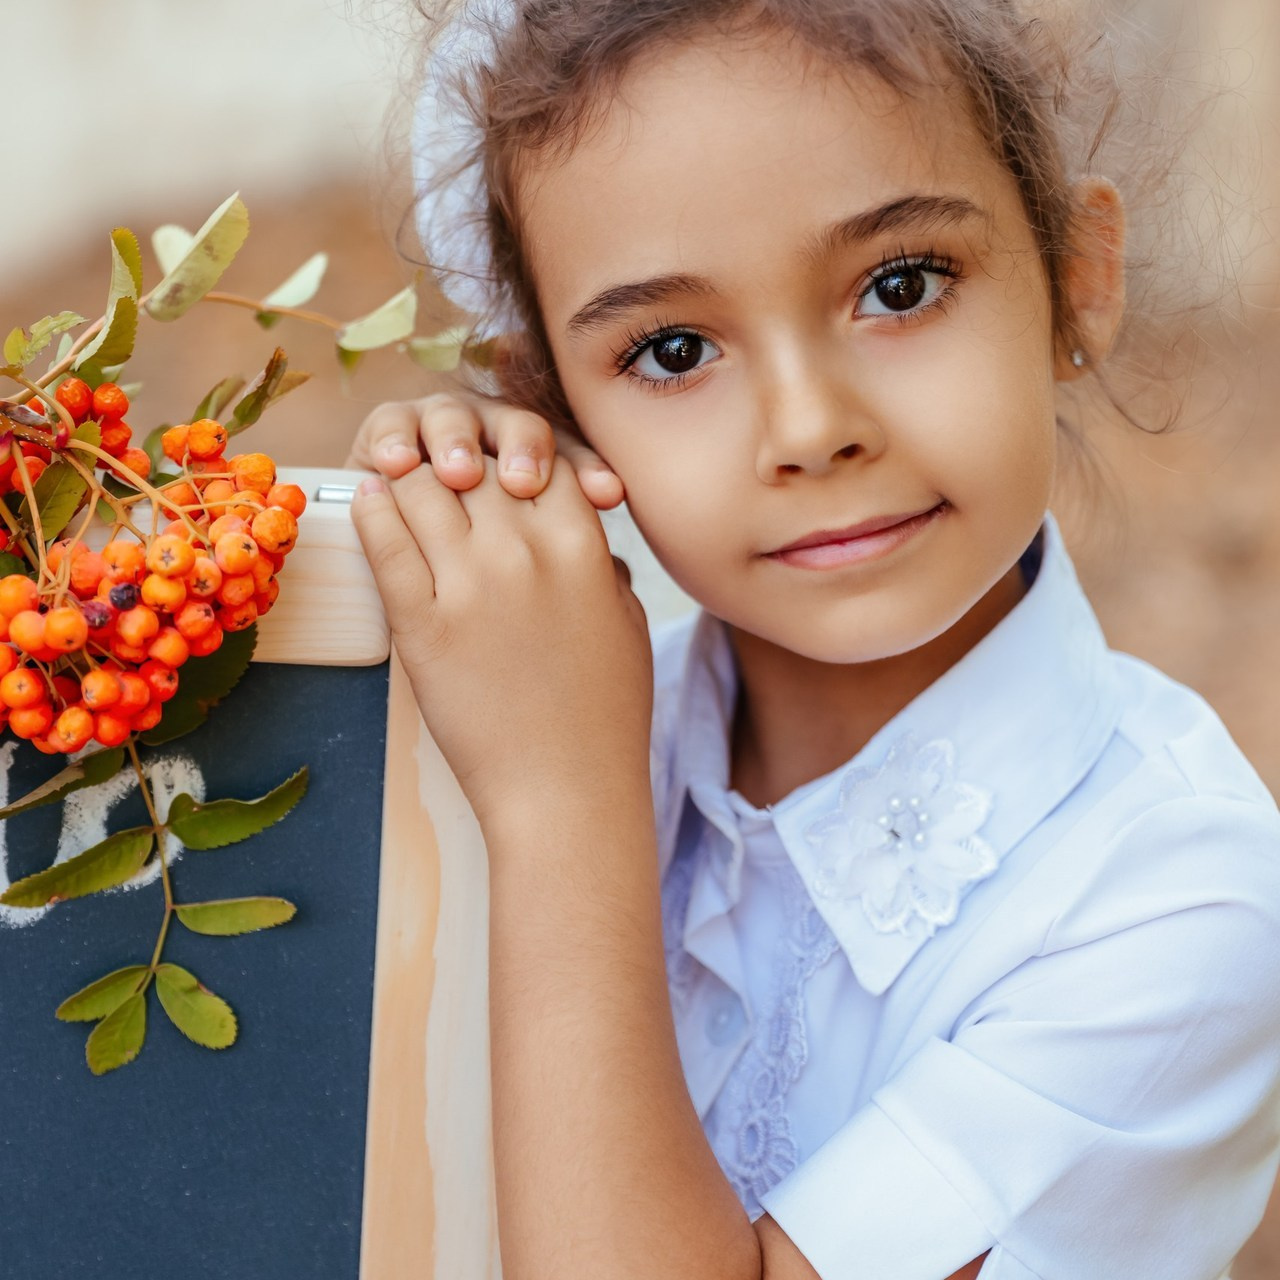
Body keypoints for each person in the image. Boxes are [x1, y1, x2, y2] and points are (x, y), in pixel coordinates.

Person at [347, 1, 1280, 1275]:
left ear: (1078, 275)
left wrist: (561, 814)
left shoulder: (1173, 899)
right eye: (672, 350)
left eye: (899, 286)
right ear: (550, 406)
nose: (807, 427)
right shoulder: (511, 742)